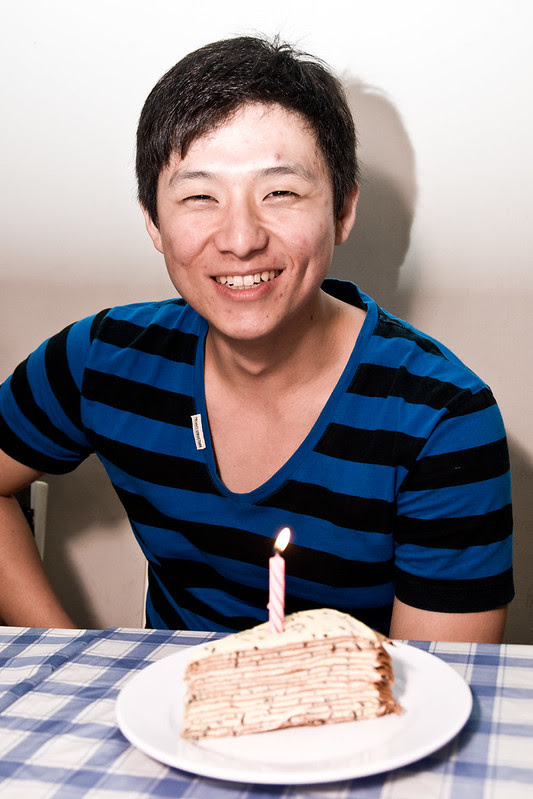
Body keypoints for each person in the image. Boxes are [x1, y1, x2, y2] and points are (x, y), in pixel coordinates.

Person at [0, 36, 513, 641]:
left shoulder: (443, 418)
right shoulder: (101, 359)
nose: (240, 239)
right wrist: (61, 646)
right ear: (153, 222)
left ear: (342, 210)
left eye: (280, 192)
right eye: (200, 196)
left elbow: (439, 677)